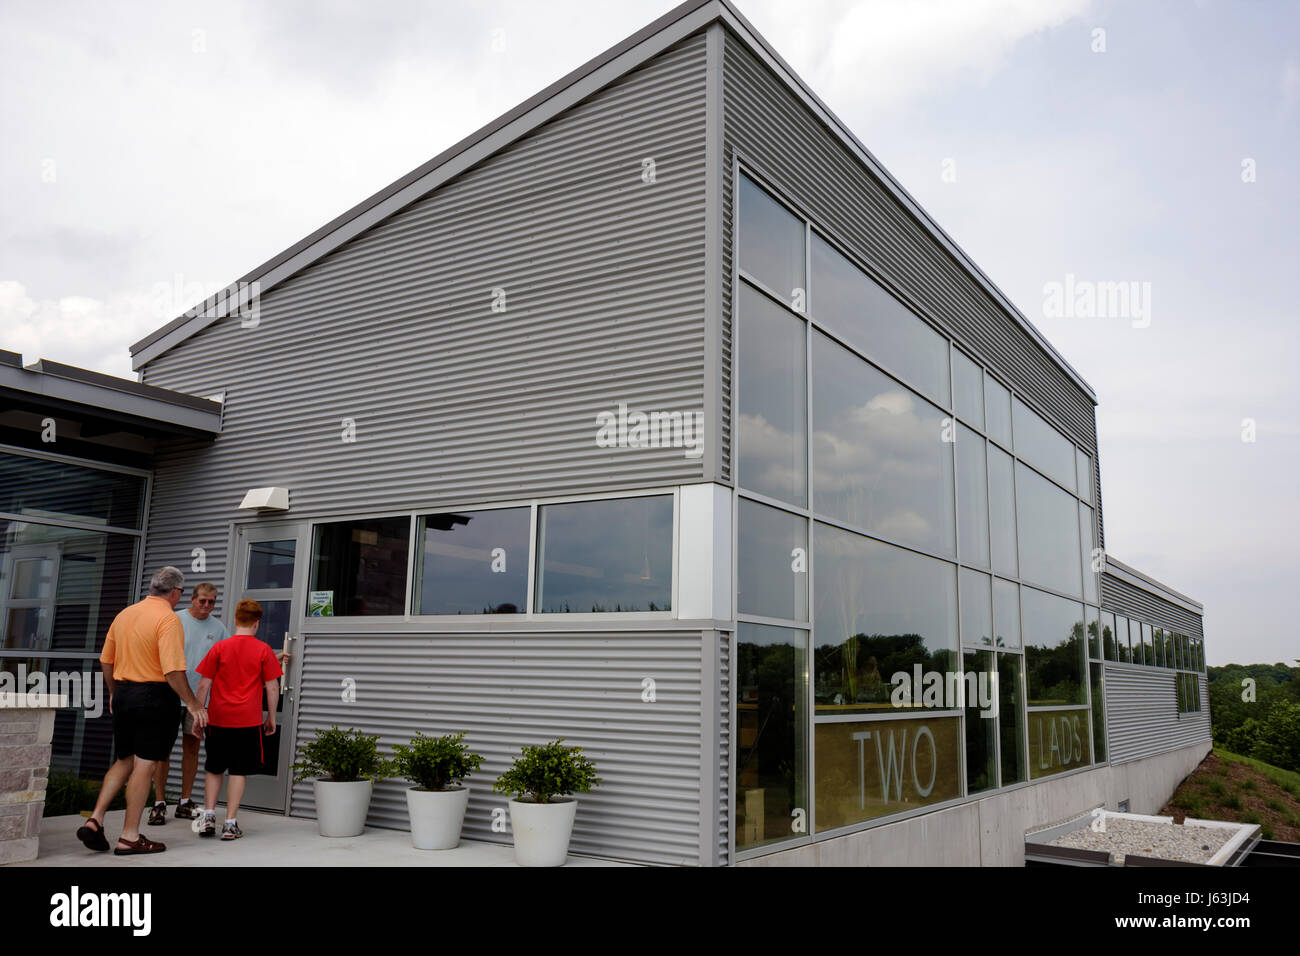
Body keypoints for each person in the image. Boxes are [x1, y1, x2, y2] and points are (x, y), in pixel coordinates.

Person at [77, 566, 208, 855]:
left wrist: (113, 693)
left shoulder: (125, 614)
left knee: (125, 759)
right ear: (176, 593)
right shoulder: (168, 619)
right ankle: (130, 837)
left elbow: (106, 660)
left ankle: (95, 820)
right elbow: (173, 670)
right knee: (145, 764)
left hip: (124, 693)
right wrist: (194, 703)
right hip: (155, 697)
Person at [194, 599, 282, 840]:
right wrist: (271, 716)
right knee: (238, 771)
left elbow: (204, 683)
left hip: (218, 718)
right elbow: (272, 688)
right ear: (257, 623)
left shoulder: (219, 648)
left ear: (235, 620)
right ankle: (230, 823)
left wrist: (198, 714)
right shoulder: (263, 650)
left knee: (213, 768)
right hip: (247, 721)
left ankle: (209, 817)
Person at [149, 582, 230, 825]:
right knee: (162, 751)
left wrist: (270, 656)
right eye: (202, 601)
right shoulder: (174, 619)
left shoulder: (218, 628)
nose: (206, 606)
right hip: (169, 694)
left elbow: (230, 656)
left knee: (192, 748)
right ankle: (159, 803)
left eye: (211, 602)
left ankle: (184, 802)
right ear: (192, 599)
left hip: (198, 700)